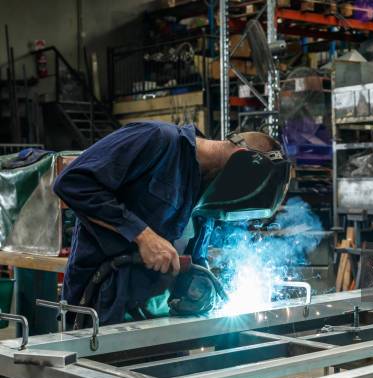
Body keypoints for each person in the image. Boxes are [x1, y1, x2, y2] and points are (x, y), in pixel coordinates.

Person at [53, 121, 285, 325]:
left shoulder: (208, 192)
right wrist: (142, 235)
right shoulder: (156, 140)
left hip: (162, 318)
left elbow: (191, 257)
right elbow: (72, 182)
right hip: (103, 308)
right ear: (240, 160)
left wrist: (200, 289)